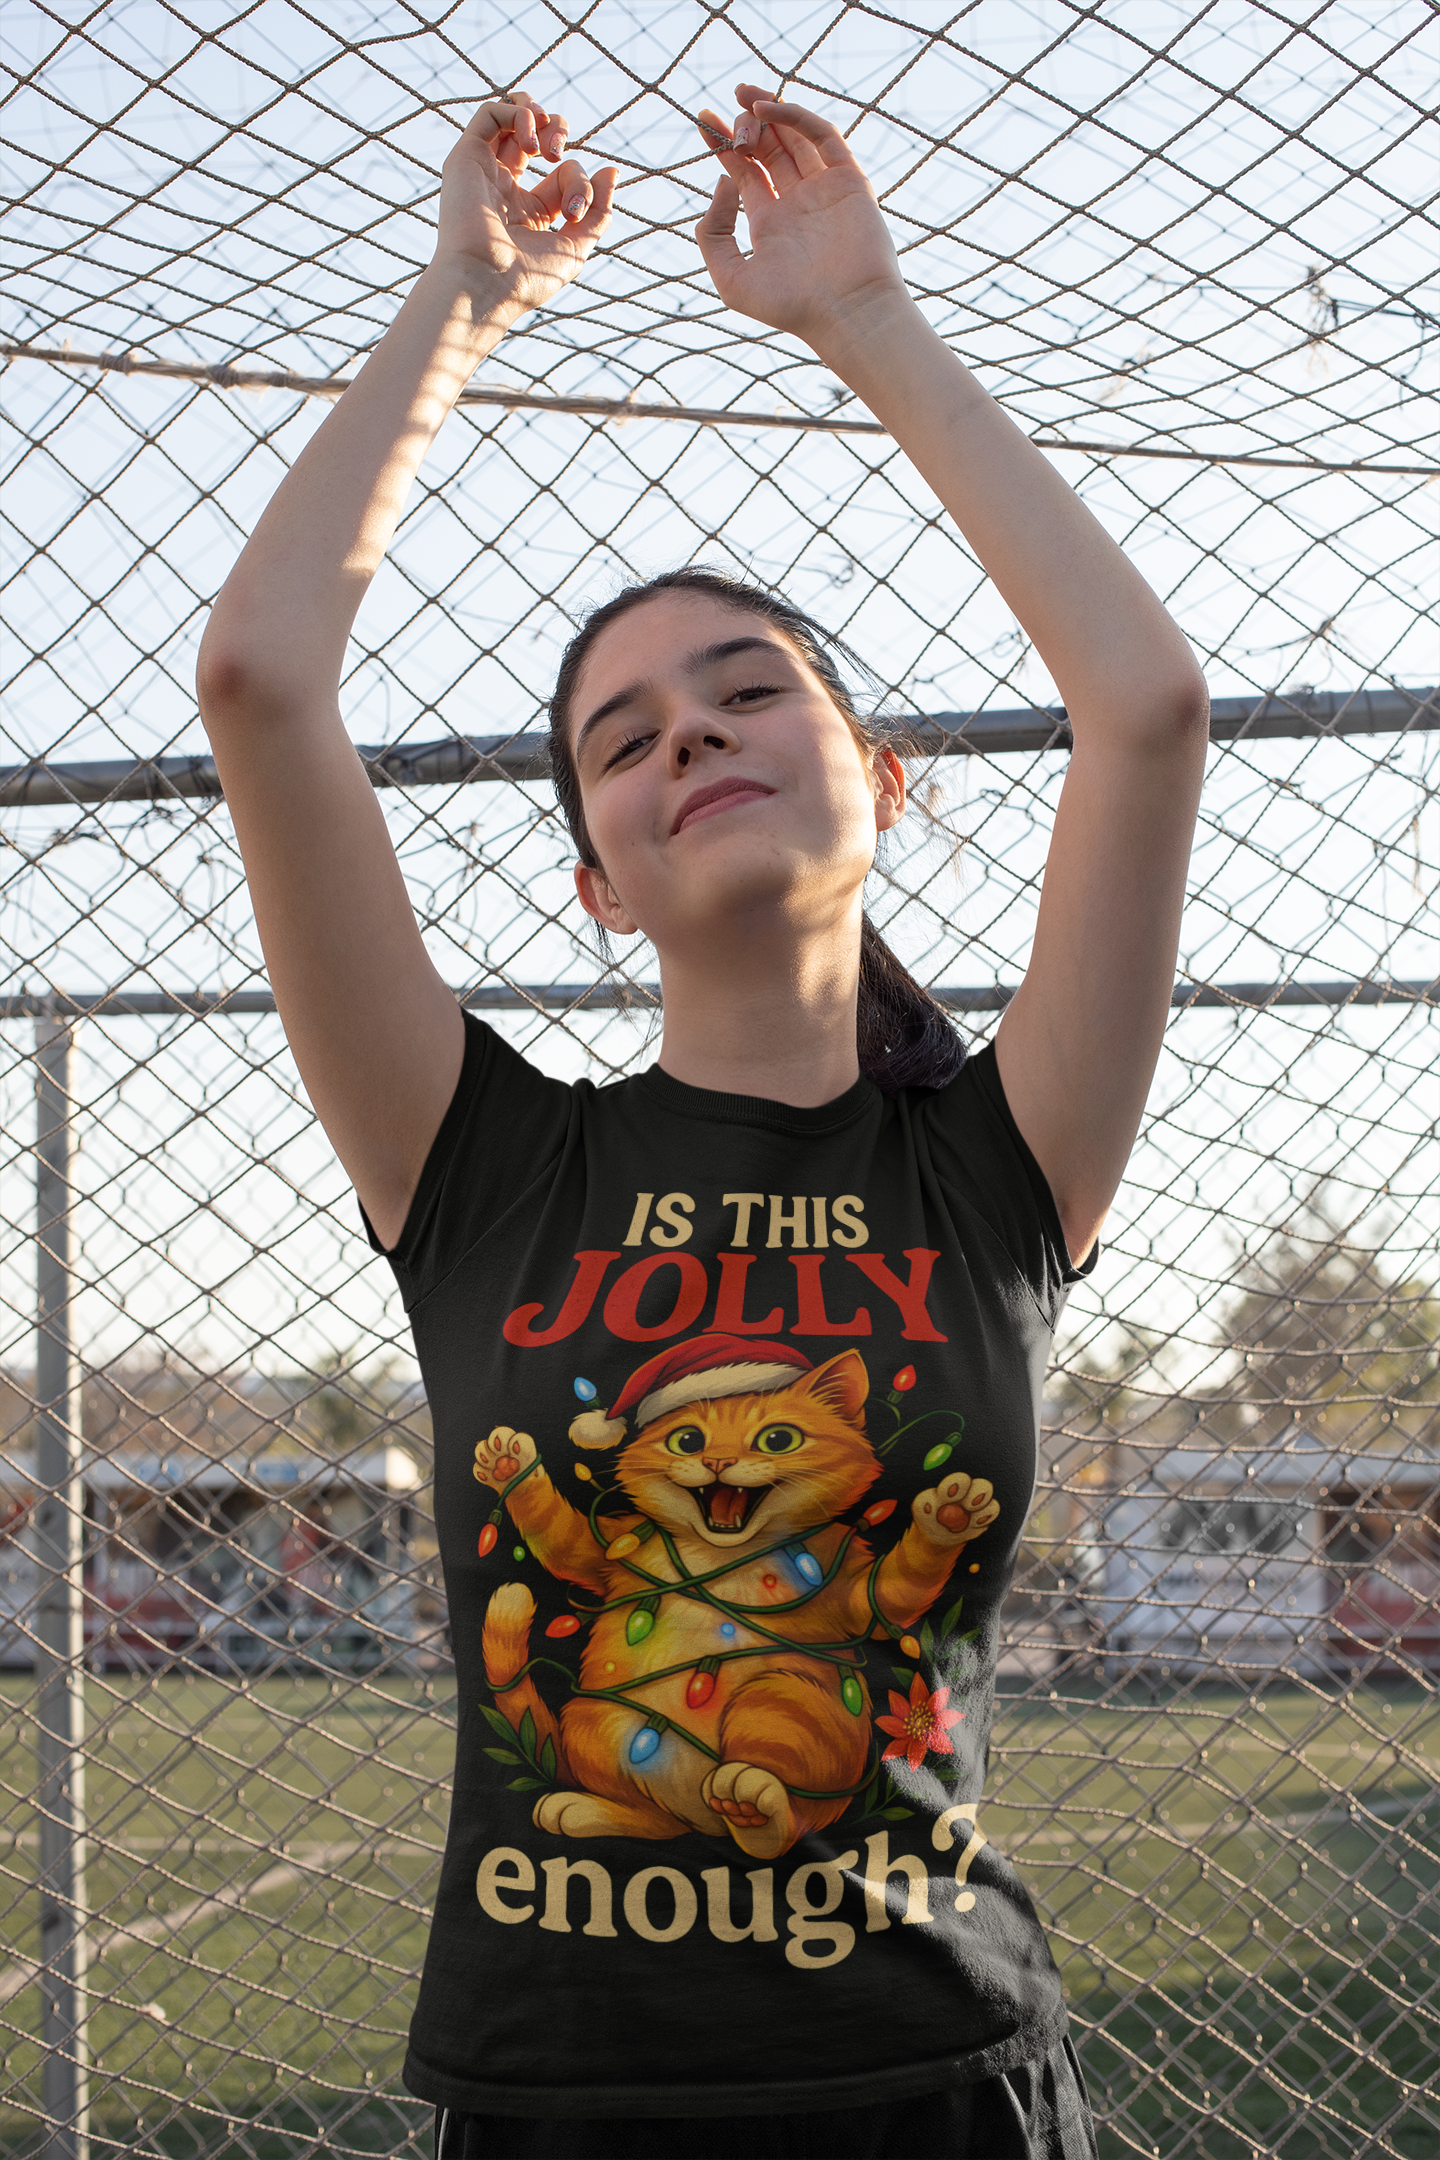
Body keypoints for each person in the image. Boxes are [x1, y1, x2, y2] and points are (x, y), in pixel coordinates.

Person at [198, 79, 1207, 2160]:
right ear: (597, 878)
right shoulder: (484, 1164)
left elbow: (1149, 704)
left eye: (749, 691)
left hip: (945, 2090)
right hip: (566, 2106)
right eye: (625, 737)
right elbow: (261, 685)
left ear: (881, 779)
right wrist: (461, 304)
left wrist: (862, 317)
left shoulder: (996, 1165)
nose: (691, 738)